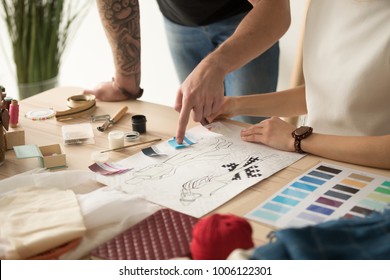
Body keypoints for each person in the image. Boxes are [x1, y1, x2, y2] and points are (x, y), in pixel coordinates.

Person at [206, 0, 390, 170]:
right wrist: (234, 105)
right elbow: (325, 94)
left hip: (370, 172)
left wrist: (296, 139)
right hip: (316, 160)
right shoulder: (324, 6)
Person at [83, 0, 291, 143]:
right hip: (179, 20)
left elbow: (276, 10)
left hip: (245, 18)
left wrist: (215, 65)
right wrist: (125, 82)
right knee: (203, 124)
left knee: (250, 133)